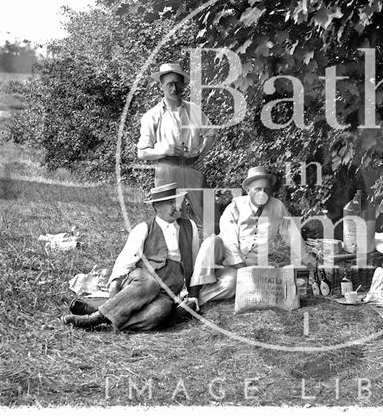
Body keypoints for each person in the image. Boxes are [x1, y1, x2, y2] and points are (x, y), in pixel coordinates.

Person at [61, 183, 201, 331]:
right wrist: (115, 284)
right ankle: (93, 319)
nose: (176, 207)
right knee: (150, 283)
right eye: (170, 203)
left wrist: (191, 294)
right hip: (141, 281)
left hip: (166, 292)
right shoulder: (144, 228)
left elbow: (195, 262)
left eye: (177, 202)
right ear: (157, 207)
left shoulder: (190, 227)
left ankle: (105, 315)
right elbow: (125, 261)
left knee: (161, 310)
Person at [189, 166, 314, 305]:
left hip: (253, 265)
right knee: (211, 241)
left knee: (231, 284)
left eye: (266, 189)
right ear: (248, 190)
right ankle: (192, 291)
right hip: (225, 258)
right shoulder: (234, 207)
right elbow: (229, 243)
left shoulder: (277, 206)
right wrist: (245, 272)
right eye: (257, 189)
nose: (262, 193)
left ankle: (196, 301)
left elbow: (293, 235)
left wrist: (310, 261)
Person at [137, 63, 218, 235]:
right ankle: (171, 256)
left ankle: (214, 253)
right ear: (161, 86)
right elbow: (142, 152)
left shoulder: (194, 110)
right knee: (169, 216)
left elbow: (210, 133)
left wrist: (201, 157)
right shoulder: (152, 115)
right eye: (169, 84)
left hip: (192, 166)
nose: (174, 88)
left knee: (209, 214)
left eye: (178, 84)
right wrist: (165, 151)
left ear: (183, 85)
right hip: (167, 169)